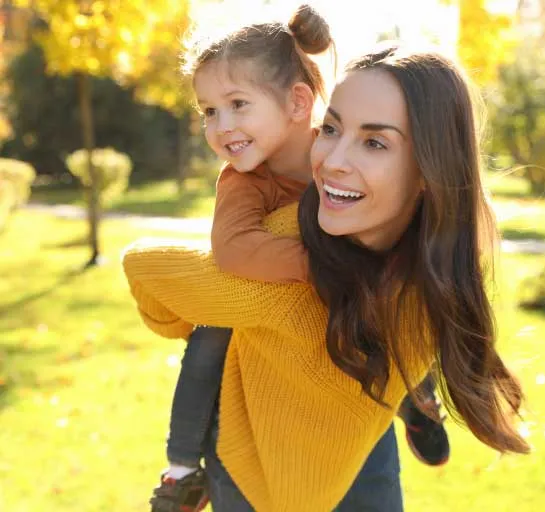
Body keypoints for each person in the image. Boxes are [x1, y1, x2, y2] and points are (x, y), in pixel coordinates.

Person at [123, 43, 529, 511]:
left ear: (431, 171)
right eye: (332, 128)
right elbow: (146, 267)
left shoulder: (437, 266)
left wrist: (182, 320)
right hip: (256, 467)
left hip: (355, 448)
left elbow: (145, 274)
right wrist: (216, 311)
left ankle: (417, 407)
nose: (332, 160)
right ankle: (182, 467)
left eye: (374, 142)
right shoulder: (289, 252)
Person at [147, 7, 448, 512]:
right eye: (209, 111)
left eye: (237, 104)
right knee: (208, 337)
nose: (221, 126)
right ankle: (182, 470)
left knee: (398, 296)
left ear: (298, 102)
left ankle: (417, 396)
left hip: (364, 329)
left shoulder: (336, 149)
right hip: (266, 302)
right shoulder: (245, 182)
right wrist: (325, 266)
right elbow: (235, 250)